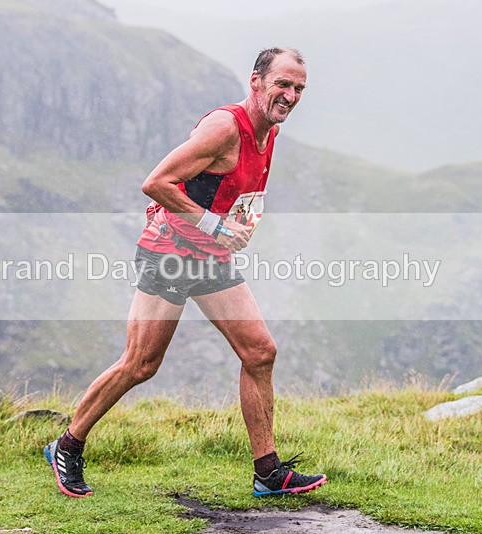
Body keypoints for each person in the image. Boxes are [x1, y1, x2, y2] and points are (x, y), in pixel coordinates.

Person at [44, 47, 326, 498]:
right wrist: (215, 224)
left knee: (260, 352)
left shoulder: (268, 129)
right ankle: (67, 445)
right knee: (141, 364)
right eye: (283, 85)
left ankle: (268, 472)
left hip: (210, 257)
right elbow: (155, 183)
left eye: (299, 89)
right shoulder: (224, 128)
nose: (291, 96)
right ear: (256, 82)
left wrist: (234, 227)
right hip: (169, 253)